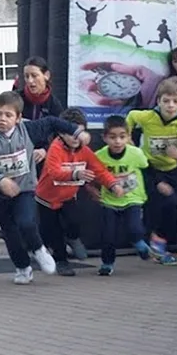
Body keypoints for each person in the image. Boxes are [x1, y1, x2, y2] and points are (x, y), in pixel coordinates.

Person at [0, 91, 85, 283]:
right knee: (11, 234)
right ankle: (23, 268)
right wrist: (0, 179)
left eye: (8, 115)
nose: (2, 119)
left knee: (26, 222)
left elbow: (53, 121)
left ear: (19, 118)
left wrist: (76, 131)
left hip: (24, 189)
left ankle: (39, 249)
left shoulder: (28, 130)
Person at [35, 107, 123, 277]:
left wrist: (113, 184)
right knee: (53, 232)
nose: (76, 139)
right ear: (61, 132)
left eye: (80, 133)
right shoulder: (56, 148)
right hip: (46, 199)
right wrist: (75, 174)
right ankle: (61, 261)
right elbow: (54, 171)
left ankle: (73, 238)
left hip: (68, 197)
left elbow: (100, 170)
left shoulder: (84, 151)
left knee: (74, 223)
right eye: (71, 133)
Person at [126, 77, 177, 265]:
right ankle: (152, 244)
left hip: (171, 169)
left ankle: (153, 241)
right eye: (166, 101)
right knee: (156, 202)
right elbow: (131, 116)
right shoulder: (148, 117)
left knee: (171, 204)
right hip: (149, 167)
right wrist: (128, 138)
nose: (170, 106)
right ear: (158, 101)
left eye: (175, 101)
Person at [95, 115, 155, 275]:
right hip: (109, 200)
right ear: (104, 138)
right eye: (113, 137)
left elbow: (147, 168)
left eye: (122, 137)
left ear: (129, 137)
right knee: (108, 235)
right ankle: (107, 263)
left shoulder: (136, 154)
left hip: (132, 198)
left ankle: (140, 244)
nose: (118, 142)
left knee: (134, 228)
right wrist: (93, 191)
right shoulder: (99, 156)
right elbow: (94, 176)